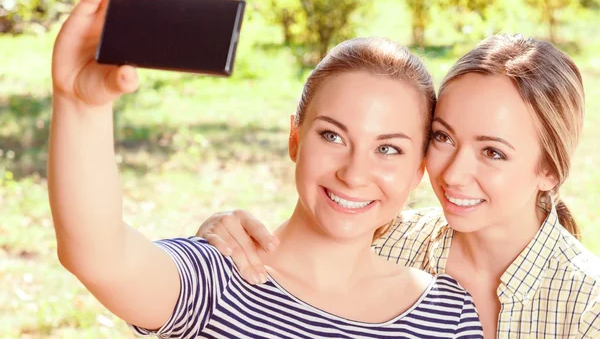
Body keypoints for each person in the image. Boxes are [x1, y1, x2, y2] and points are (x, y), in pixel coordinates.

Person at [47, 0, 484, 338]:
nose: (354, 174)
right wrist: (79, 104)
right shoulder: (218, 279)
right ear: (295, 138)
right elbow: (97, 253)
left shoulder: (450, 315)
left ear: (418, 171)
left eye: (388, 148)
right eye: (332, 136)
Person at [194, 34, 600, 338]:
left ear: (548, 170)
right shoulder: (385, 238)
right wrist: (225, 239)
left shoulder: (588, 308)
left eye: (492, 152)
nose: (454, 173)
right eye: (444, 137)